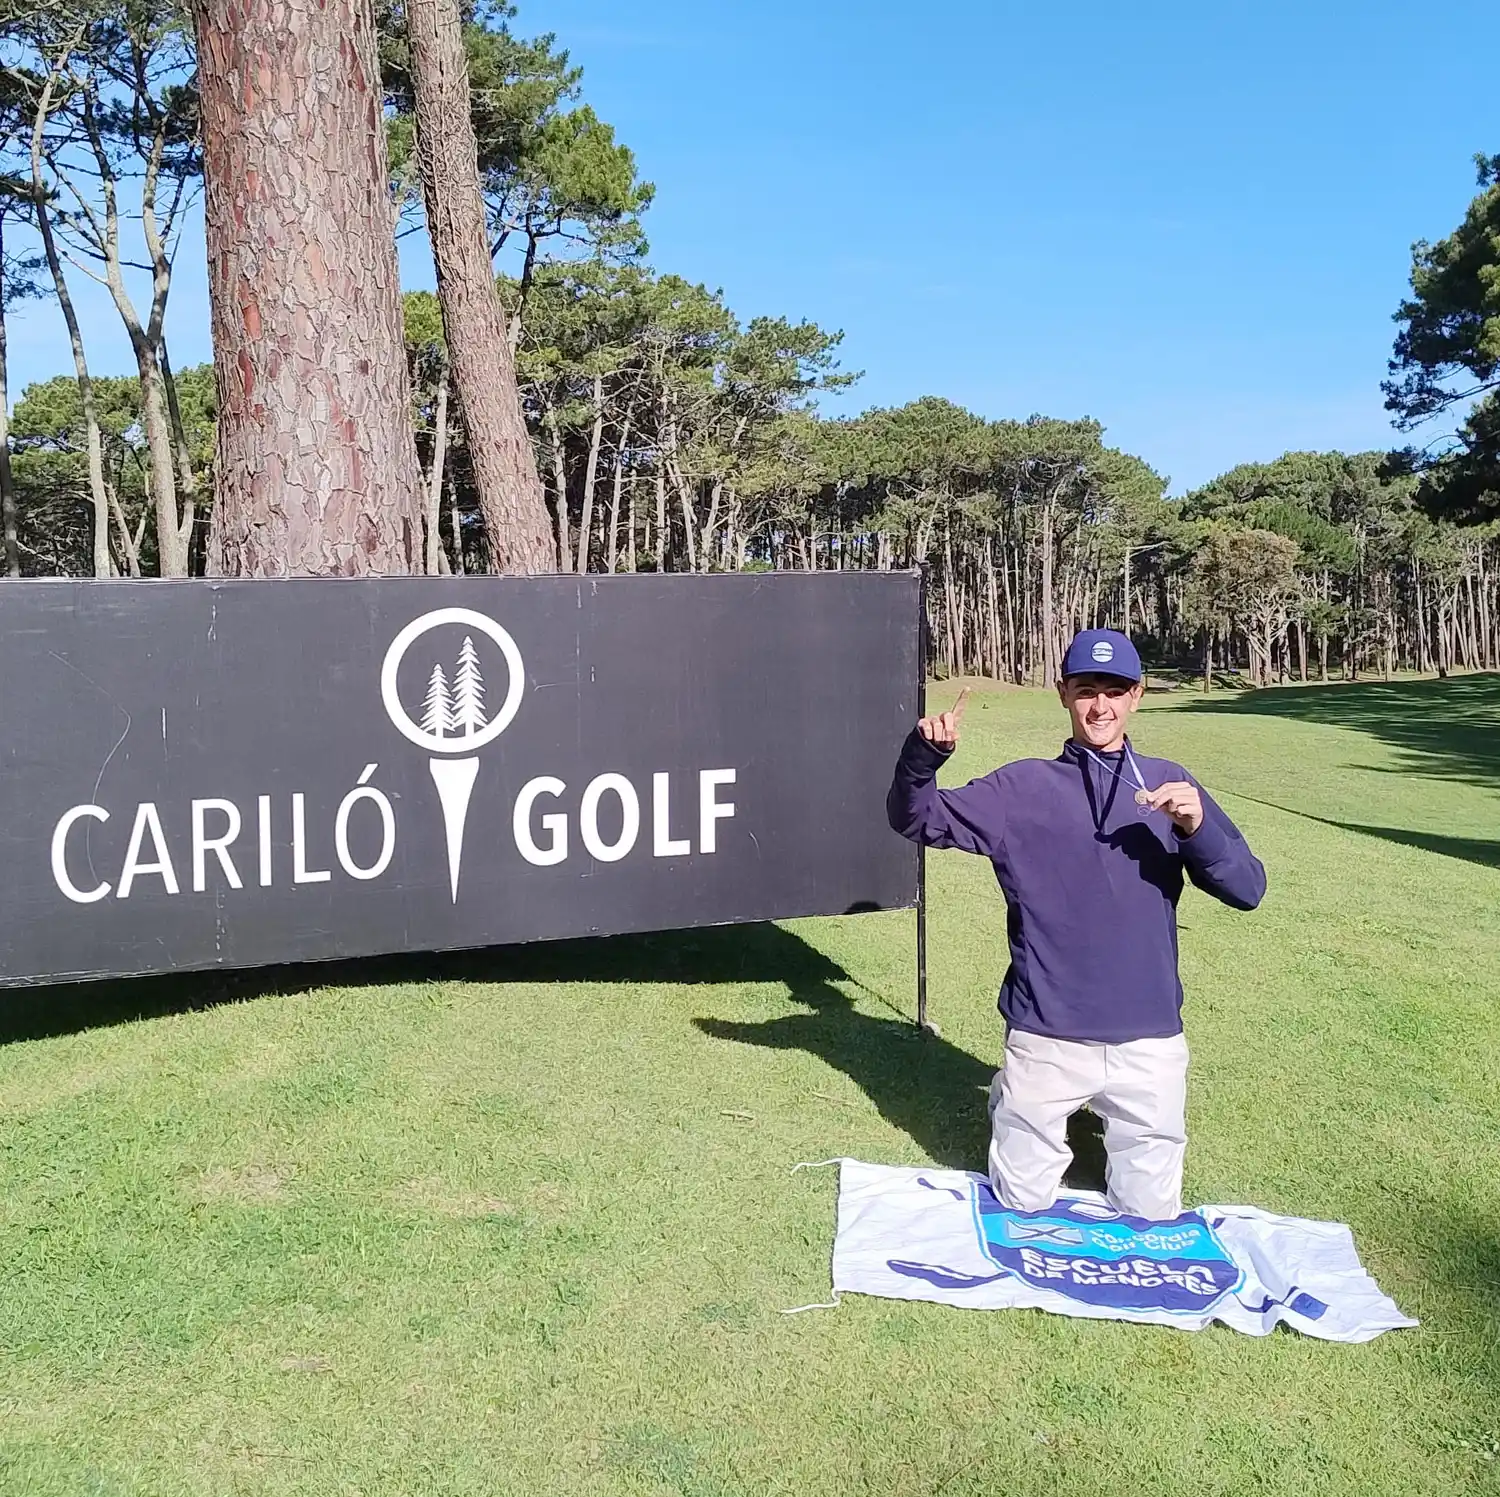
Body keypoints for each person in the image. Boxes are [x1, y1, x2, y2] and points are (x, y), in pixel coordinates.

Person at [886, 628, 1266, 1221]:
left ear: (1137, 696)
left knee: (1152, 1218)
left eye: (1115, 691)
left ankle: (1050, 1115)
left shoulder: (1170, 785)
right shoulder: (1022, 788)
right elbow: (915, 818)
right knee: (1021, 1209)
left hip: (1148, 1037)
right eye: (1087, 689)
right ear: (1063, 693)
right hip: (1047, 1031)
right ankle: (1011, 1100)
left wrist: (1197, 828)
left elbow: (1248, 889)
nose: (1101, 706)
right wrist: (922, 758)